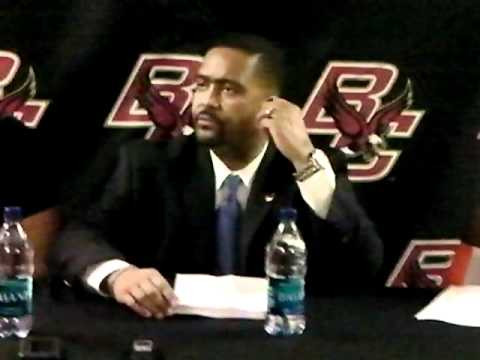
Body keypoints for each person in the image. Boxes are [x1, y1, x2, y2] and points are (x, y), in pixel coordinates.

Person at [50, 34, 383, 320]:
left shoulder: (308, 168)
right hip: (175, 333)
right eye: (201, 85)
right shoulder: (147, 163)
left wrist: (305, 161)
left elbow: (364, 264)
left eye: (228, 90)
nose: (206, 101)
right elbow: (77, 237)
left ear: (272, 107)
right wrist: (118, 275)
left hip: (278, 337)